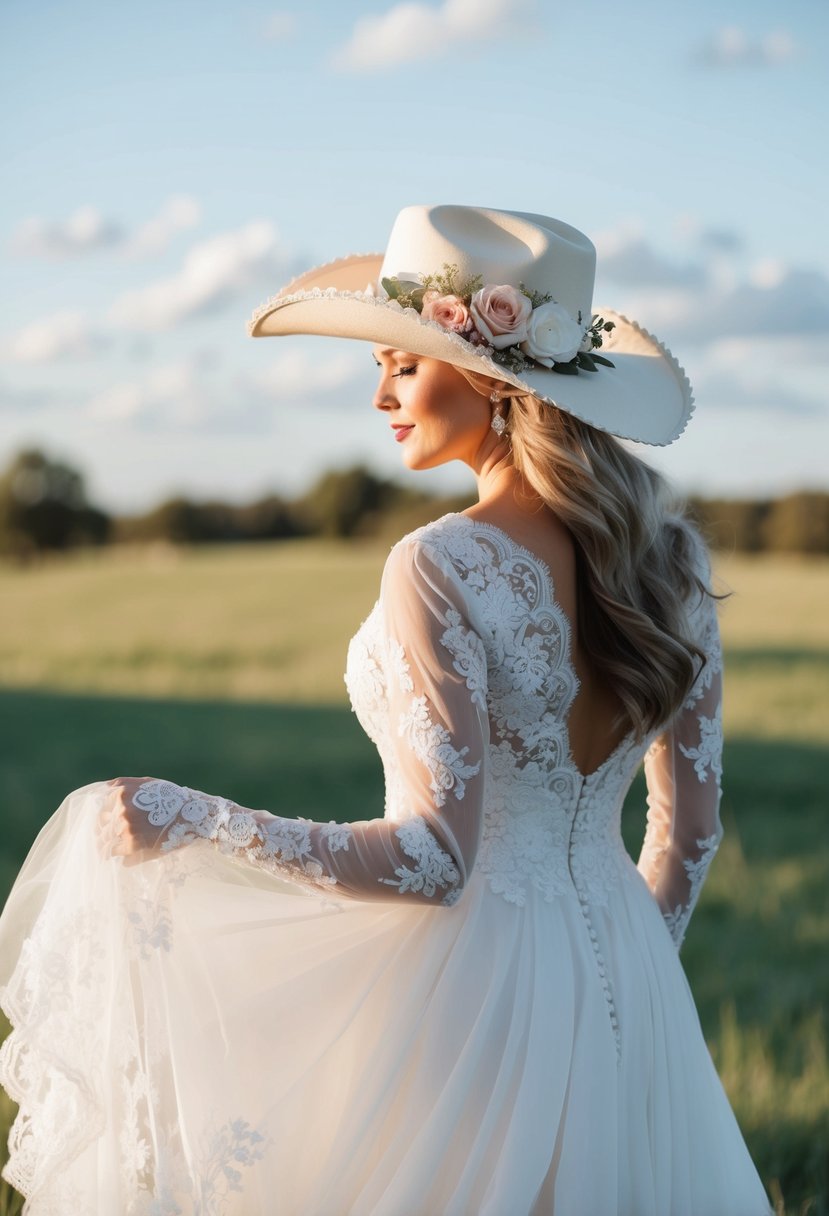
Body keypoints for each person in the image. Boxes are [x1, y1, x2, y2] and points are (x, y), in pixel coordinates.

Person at [0, 204, 772, 1215]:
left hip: (469, 997)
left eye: (401, 366)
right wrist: (605, 974)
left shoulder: (439, 563)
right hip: (630, 976)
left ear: (494, 380)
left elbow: (434, 859)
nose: (380, 396)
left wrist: (199, 817)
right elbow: (688, 833)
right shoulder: (674, 559)